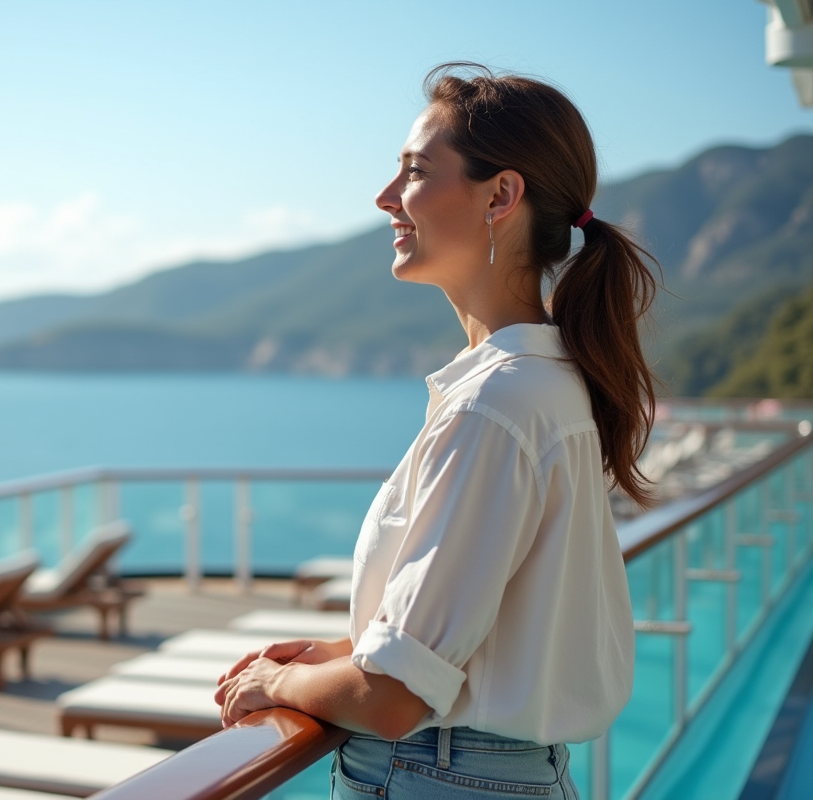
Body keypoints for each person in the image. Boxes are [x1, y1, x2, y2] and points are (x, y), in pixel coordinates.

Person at [214, 63, 658, 799]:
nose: (385, 197)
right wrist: (348, 653)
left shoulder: (496, 402)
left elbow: (393, 703)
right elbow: (491, 623)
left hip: (437, 777)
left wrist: (282, 680)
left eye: (415, 172)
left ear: (501, 196)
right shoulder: (544, 384)